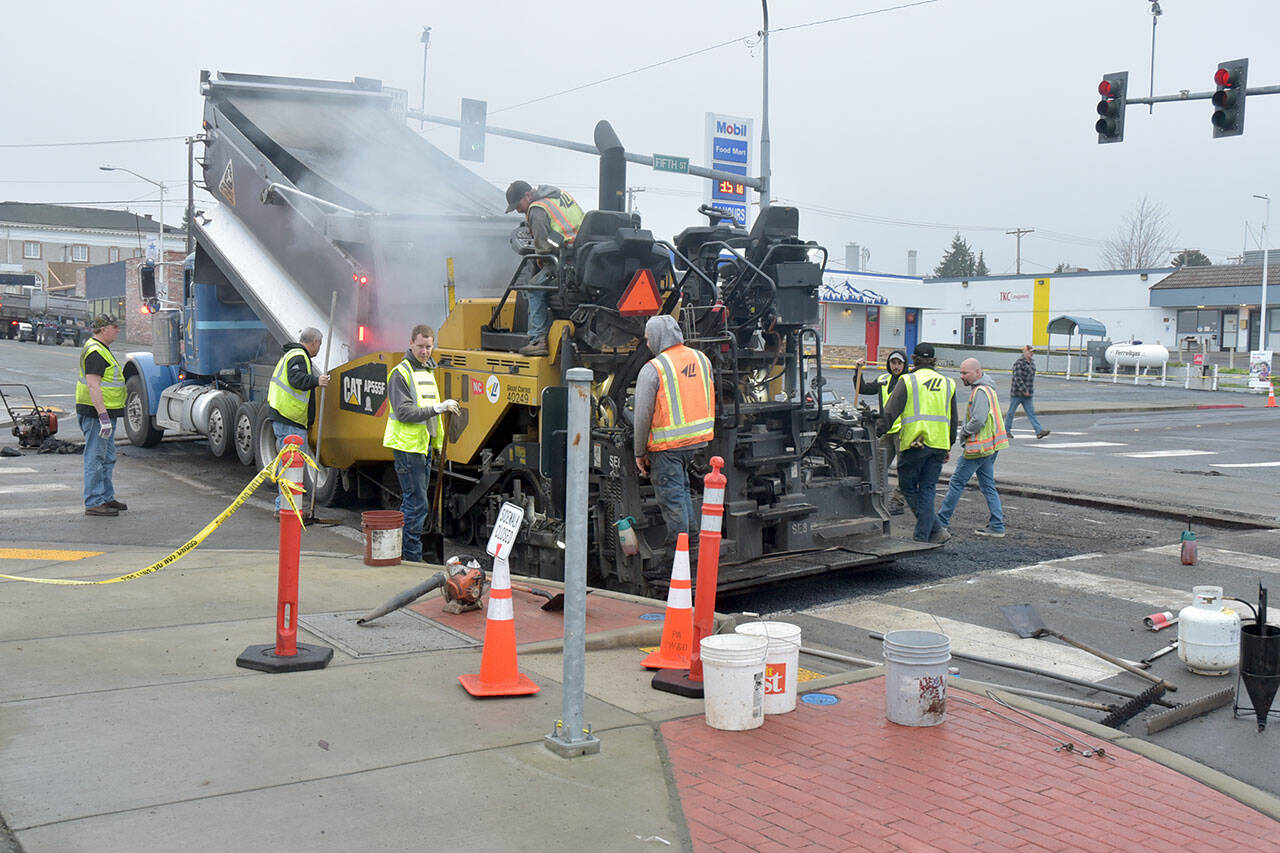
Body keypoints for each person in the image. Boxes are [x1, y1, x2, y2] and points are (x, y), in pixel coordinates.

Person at [634, 314, 715, 573]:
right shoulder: (702, 359)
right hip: (696, 442)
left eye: (648, 338)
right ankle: (692, 550)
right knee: (682, 495)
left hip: (666, 446)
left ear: (657, 337)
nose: (647, 344)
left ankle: (675, 564)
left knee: (672, 501)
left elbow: (642, 414)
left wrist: (639, 451)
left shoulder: (654, 368)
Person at [382, 325, 460, 563]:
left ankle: (409, 554)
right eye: (421, 346)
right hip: (408, 448)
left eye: (429, 346)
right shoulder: (400, 373)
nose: (425, 351)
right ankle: (411, 557)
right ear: (411, 343)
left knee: (416, 501)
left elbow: (431, 419)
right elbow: (405, 412)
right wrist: (438, 407)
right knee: (416, 503)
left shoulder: (426, 371)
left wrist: (436, 445)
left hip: (421, 446)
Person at [878, 342, 958, 544]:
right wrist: (948, 444)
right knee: (928, 489)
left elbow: (890, 413)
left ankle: (929, 533)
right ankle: (930, 533)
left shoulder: (907, 380)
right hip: (938, 444)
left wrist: (875, 430)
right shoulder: (948, 383)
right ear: (934, 360)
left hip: (915, 444)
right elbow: (953, 418)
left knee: (908, 487)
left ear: (914, 359)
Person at [505, 180, 586, 356]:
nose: (519, 210)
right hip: (585, 258)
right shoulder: (560, 196)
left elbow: (543, 249)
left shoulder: (537, 209)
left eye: (518, 205)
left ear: (527, 195)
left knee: (534, 288)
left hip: (566, 263)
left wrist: (541, 262)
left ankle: (538, 340)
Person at [936, 358, 1008, 538]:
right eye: (960, 373)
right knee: (987, 485)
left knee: (956, 483)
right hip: (991, 447)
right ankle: (997, 526)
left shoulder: (980, 391)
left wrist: (964, 432)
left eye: (965, 373)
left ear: (977, 372)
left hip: (978, 448)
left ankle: (941, 522)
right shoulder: (988, 389)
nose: (962, 377)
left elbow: (979, 419)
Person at [266, 327, 330, 516]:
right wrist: (317, 380)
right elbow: (296, 379)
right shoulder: (298, 356)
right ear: (314, 342)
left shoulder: (294, 354)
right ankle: (286, 508)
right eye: (319, 344)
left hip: (287, 418)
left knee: (289, 465)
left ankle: (286, 507)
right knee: (292, 466)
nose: (319, 348)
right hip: (289, 419)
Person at [77, 314, 127, 517]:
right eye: (115, 327)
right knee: (96, 458)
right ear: (103, 329)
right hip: (96, 414)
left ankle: (106, 497)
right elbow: (93, 385)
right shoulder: (96, 352)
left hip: (102, 414)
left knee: (107, 457)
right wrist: (103, 416)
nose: (118, 330)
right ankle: (94, 501)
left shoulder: (101, 349)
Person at [853, 350, 908, 515]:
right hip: (886, 430)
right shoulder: (883, 379)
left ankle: (898, 502)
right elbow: (862, 388)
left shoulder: (909, 381)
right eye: (893, 363)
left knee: (903, 468)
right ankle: (877, 498)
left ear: (904, 365)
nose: (896, 366)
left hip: (903, 431)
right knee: (878, 465)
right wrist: (857, 371)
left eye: (899, 363)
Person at [1006, 344, 1050, 439]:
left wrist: (1028, 391)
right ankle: (1006, 431)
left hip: (1028, 394)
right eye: (1030, 352)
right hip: (1017, 393)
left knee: (1031, 413)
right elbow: (1017, 378)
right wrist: (1024, 390)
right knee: (1011, 413)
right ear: (1025, 352)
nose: (1032, 353)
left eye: (1033, 352)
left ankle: (1039, 431)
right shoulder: (1019, 363)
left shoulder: (1032, 363)